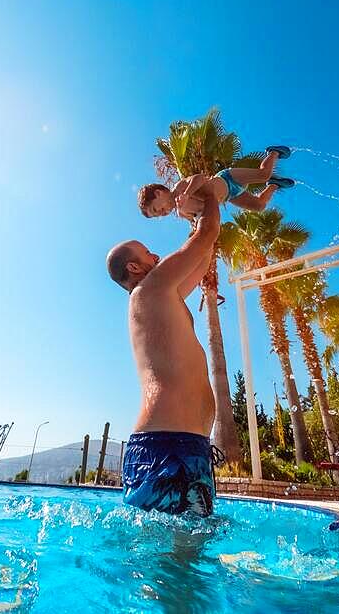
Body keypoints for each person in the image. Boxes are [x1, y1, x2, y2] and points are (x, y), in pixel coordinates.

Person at [106, 183, 222, 515]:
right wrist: (212, 193)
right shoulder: (149, 290)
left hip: (185, 445)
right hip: (168, 446)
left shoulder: (159, 295)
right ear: (134, 267)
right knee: (170, 563)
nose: (156, 256)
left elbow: (202, 257)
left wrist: (197, 216)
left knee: (181, 561)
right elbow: (207, 236)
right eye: (147, 254)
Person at [138, 146, 295, 219]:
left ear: (159, 193)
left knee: (263, 174)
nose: (160, 214)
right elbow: (198, 217)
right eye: (156, 216)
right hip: (230, 196)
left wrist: (187, 194)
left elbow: (199, 178)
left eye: (155, 209)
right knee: (259, 206)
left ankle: (273, 152)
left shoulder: (179, 188)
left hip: (228, 178)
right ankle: (274, 184)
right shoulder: (181, 212)